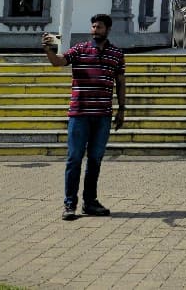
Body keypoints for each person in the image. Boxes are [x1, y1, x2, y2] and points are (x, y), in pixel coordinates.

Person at [42, 14, 126, 220]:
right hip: (79, 114)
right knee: (74, 159)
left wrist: (122, 109)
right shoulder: (80, 49)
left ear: (107, 29)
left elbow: (121, 82)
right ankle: (70, 204)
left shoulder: (116, 54)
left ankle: (90, 202)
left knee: (95, 160)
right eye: (93, 26)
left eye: (99, 27)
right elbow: (58, 62)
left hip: (103, 116)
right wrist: (49, 49)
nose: (95, 30)